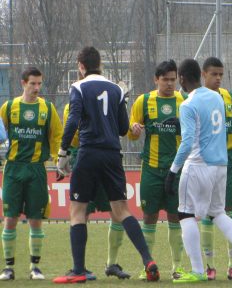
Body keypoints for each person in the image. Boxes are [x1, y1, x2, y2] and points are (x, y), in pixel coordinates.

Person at [53, 47, 158, 284]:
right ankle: (148, 260)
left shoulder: (78, 87)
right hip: (112, 155)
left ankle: (79, 269)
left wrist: (62, 151)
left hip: (89, 153)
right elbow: (123, 129)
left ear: (81, 65)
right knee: (122, 211)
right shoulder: (116, 90)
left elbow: (72, 119)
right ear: (99, 64)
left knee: (78, 211)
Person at [164, 59, 232, 283]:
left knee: (185, 214)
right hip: (220, 165)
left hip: (198, 164)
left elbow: (186, 143)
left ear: (183, 79)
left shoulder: (187, 105)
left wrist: (173, 171)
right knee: (218, 213)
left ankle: (197, 270)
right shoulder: (217, 97)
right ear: (201, 75)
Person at [127, 60, 187, 280]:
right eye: (166, 79)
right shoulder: (143, 102)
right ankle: (148, 265)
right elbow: (132, 132)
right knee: (149, 216)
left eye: (173, 79)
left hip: (176, 169)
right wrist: (134, 129)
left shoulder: (184, 101)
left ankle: (177, 267)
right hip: (151, 169)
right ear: (156, 79)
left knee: (175, 217)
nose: (170, 83)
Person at [0, 67, 59, 281]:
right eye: (32, 83)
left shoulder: (48, 109)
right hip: (13, 168)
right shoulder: (9, 108)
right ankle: (8, 268)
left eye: (39, 84)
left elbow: (56, 137)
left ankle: (35, 267)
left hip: (36, 169)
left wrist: (58, 159)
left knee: (35, 219)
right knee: (10, 218)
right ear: (23, 83)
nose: (36, 88)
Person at [62, 103, 130, 280]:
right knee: (81, 212)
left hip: (107, 158)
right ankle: (79, 267)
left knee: (117, 212)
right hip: (84, 158)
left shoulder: (110, 102)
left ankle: (111, 264)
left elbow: (122, 129)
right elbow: (72, 137)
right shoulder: (72, 105)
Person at [199, 57, 232, 280]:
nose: (218, 78)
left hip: (229, 160)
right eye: (214, 74)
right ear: (203, 75)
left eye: (221, 74)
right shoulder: (197, 99)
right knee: (206, 214)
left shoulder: (231, 98)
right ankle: (209, 265)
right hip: (205, 160)